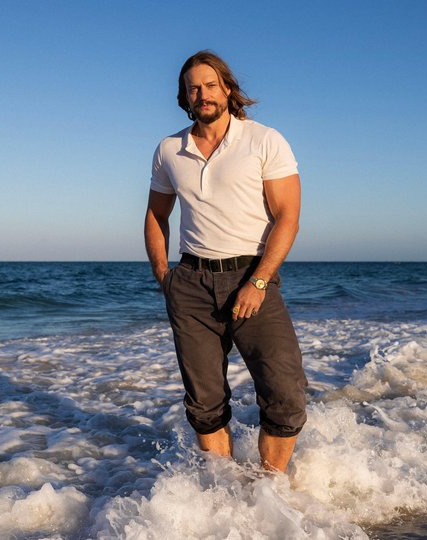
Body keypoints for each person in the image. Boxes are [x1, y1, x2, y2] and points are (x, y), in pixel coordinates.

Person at [144, 50, 307, 474]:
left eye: (211, 85)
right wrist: (165, 276)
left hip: (252, 277)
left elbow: (287, 215)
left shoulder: (263, 140)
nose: (203, 94)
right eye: (193, 88)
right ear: (184, 96)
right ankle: (225, 494)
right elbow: (156, 215)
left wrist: (259, 281)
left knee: (285, 392)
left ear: (228, 89)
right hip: (191, 283)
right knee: (204, 403)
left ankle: (270, 492)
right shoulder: (168, 150)